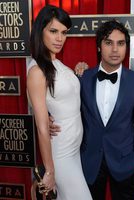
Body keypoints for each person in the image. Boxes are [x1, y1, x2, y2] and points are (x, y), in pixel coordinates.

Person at [51, 20, 134, 200]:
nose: (115, 49)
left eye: (120, 43)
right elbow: (66, 108)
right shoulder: (82, 79)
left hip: (124, 161)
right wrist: (49, 119)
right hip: (89, 161)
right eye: (108, 42)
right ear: (98, 47)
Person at [27, 5, 92, 200]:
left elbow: (62, 96)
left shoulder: (56, 62)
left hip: (74, 151)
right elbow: (42, 127)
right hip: (60, 155)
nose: (59, 38)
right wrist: (49, 171)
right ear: (41, 31)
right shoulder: (37, 71)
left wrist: (79, 73)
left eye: (64, 32)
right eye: (53, 31)